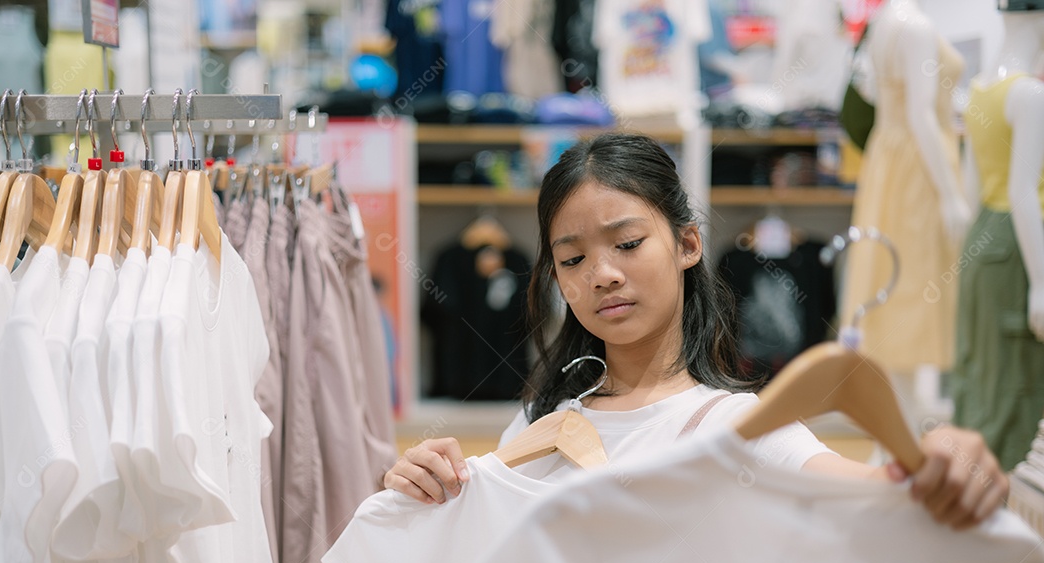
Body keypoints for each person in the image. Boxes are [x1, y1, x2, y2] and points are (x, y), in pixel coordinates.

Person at [387, 133, 1009, 531]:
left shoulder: (741, 428)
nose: (602, 275)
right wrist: (418, 490)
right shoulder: (537, 425)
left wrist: (954, 464)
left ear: (688, 244)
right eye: (572, 260)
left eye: (628, 244)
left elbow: (881, 497)